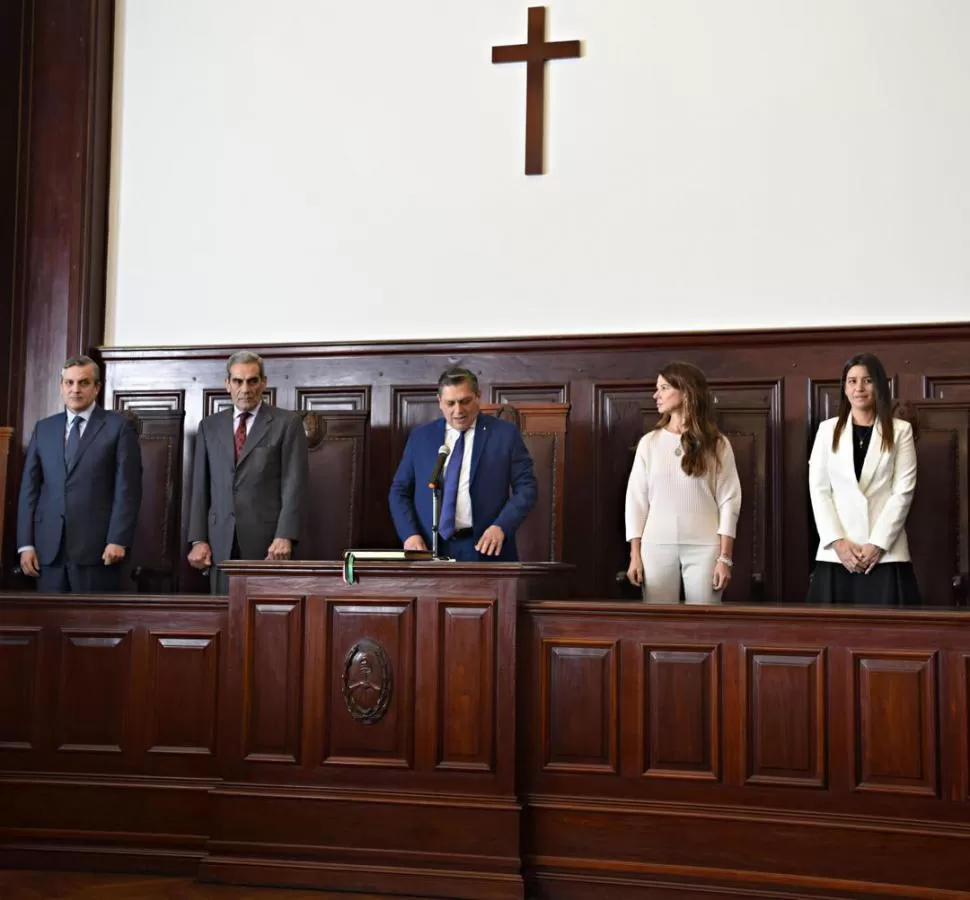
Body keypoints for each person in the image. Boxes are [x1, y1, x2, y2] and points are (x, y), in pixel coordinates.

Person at [16, 355, 143, 593]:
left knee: (91, 625)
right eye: (69, 383)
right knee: (49, 626)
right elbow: (29, 490)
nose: (75, 389)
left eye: (83, 383)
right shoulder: (44, 428)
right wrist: (25, 544)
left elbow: (128, 489)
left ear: (96, 388)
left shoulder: (118, 427)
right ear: (61, 386)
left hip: (97, 550)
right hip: (48, 550)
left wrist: (117, 538)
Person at [187, 351, 309, 593]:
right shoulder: (209, 427)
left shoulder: (287, 423)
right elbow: (200, 488)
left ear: (263, 383)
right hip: (220, 541)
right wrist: (198, 539)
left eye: (252, 381)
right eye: (238, 381)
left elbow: (294, 484)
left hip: (268, 543)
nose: (246, 388)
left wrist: (285, 535)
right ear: (227, 385)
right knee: (223, 617)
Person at [388, 366, 538, 561]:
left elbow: (527, 488)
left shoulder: (504, 435)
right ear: (439, 401)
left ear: (478, 397)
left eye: (465, 401)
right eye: (450, 403)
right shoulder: (421, 437)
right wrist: (410, 535)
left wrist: (501, 526)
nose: (458, 411)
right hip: (430, 548)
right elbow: (399, 490)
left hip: (485, 548)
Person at [807, 353, 920, 605]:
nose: (859, 388)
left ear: (879, 385)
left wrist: (877, 544)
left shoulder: (901, 430)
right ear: (844, 388)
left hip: (886, 554)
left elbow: (903, 492)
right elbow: (819, 490)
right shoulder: (827, 430)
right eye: (852, 381)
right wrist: (838, 542)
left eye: (867, 380)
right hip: (837, 556)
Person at [625, 361, 742, 604]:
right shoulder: (649, 443)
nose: (656, 395)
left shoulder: (718, 444)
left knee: (705, 627)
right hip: (655, 546)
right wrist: (635, 555)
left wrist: (725, 558)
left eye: (664, 388)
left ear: (686, 392)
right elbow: (636, 500)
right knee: (659, 625)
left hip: (705, 547)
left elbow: (729, 501)